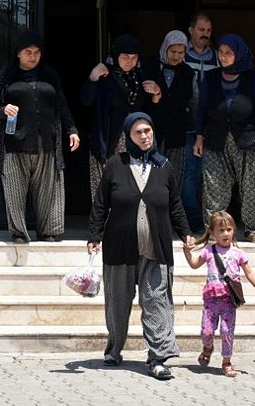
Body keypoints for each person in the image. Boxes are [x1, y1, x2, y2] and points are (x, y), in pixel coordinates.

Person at [86, 112, 194, 380]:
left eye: (148, 130)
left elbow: (175, 205)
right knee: (118, 303)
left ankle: (157, 358)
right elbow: (101, 204)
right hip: (119, 246)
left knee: (157, 301)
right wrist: (94, 236)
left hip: (155, 247)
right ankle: (114, 350)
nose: (145, 136)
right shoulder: (115, 165)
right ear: (128, 136)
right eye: (138, 132)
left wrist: (186, 234)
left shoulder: (164, 166)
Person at [0, 31, 80, 244]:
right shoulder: (6, 75)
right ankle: (19, 232)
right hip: (14, 142)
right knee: (15, 189)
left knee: (48, 188)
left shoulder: (49, 75)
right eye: (28, 52)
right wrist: (3, 110)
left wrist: (72, 129)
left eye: (37, 52)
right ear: (18, 53)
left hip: (46, 141)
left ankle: (47, 231)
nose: (33, 56)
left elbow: (62, 104)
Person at [194, 33, 255, 244]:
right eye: (221, 52)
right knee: (214, 185)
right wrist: (199, 137)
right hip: (215, 139)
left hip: (248, 139)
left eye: (228, 53)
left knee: (251, 186)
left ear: (238, 54)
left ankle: (253, 229)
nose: (223, 57)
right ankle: (214, 230)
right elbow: (202, 109)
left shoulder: (251, 79)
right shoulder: (211, 78)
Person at [182, 211, 255, 378]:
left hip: (228, 300)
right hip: (211, 300)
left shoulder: (238, 253)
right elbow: (194, 265)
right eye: (221, 230)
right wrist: (187, 252)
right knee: (207, 331)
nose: (226, 234)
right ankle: (207, 348)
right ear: (212, 232)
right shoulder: (209, 251)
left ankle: (227, 362)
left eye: (229, 229)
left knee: (227, 332)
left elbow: (248, 272)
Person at [81, 34, 157, 200]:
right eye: (125, 57)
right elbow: (86, 100)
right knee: (104, 188)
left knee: (130, 188)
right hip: (107, 139)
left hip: (133, 140)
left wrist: (157, 93)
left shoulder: (140, 77)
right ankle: (103, 225)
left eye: (134, 57)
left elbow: (150, 109)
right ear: (116, 56)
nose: (130, 61)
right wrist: (93, 77)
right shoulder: (105, 75)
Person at [182, 12, 220, 232]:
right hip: (187, 125)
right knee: (189, 174)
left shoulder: (217, 57)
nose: (205, 34)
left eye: (208, 30)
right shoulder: (180, 53)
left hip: (211, 127)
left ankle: (211, 220)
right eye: (201, 30)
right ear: (191, 30)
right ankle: (193, 219)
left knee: (210, 176)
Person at [143, 30, 195, 189]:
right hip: (152, 133)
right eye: (173, 51)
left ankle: (169, 214)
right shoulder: (150, 66)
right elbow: (143, 101)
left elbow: (188, 101)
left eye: (181, 52)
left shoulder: (187, 72)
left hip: (176, 134)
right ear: (165, 48)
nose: (176, 56)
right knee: (149, 181)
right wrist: (156, 96)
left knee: (173, 181)